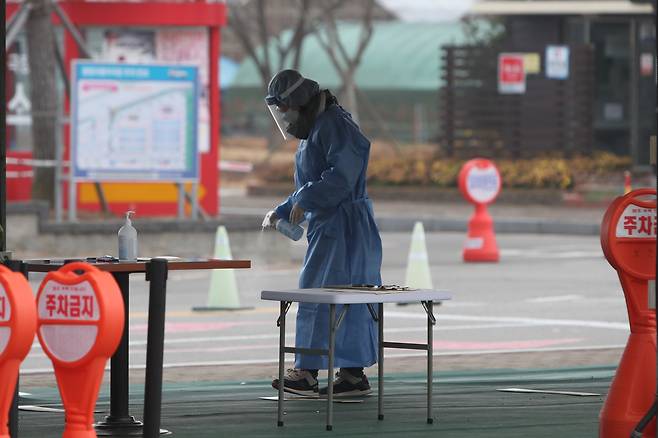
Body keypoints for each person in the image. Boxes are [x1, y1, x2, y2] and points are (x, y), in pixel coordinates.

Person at [262, 69, 383, 397]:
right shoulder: (320, 128)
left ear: (298, 103)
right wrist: (285, 209)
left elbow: (341, 177)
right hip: (333, 226)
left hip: (345, 227)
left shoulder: (333, 125)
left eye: (284, 110)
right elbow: (312, 184)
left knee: (332, 296)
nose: (284, 118)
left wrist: (304, 200)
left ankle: (311, 371)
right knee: (340, 296)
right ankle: (349, 373)